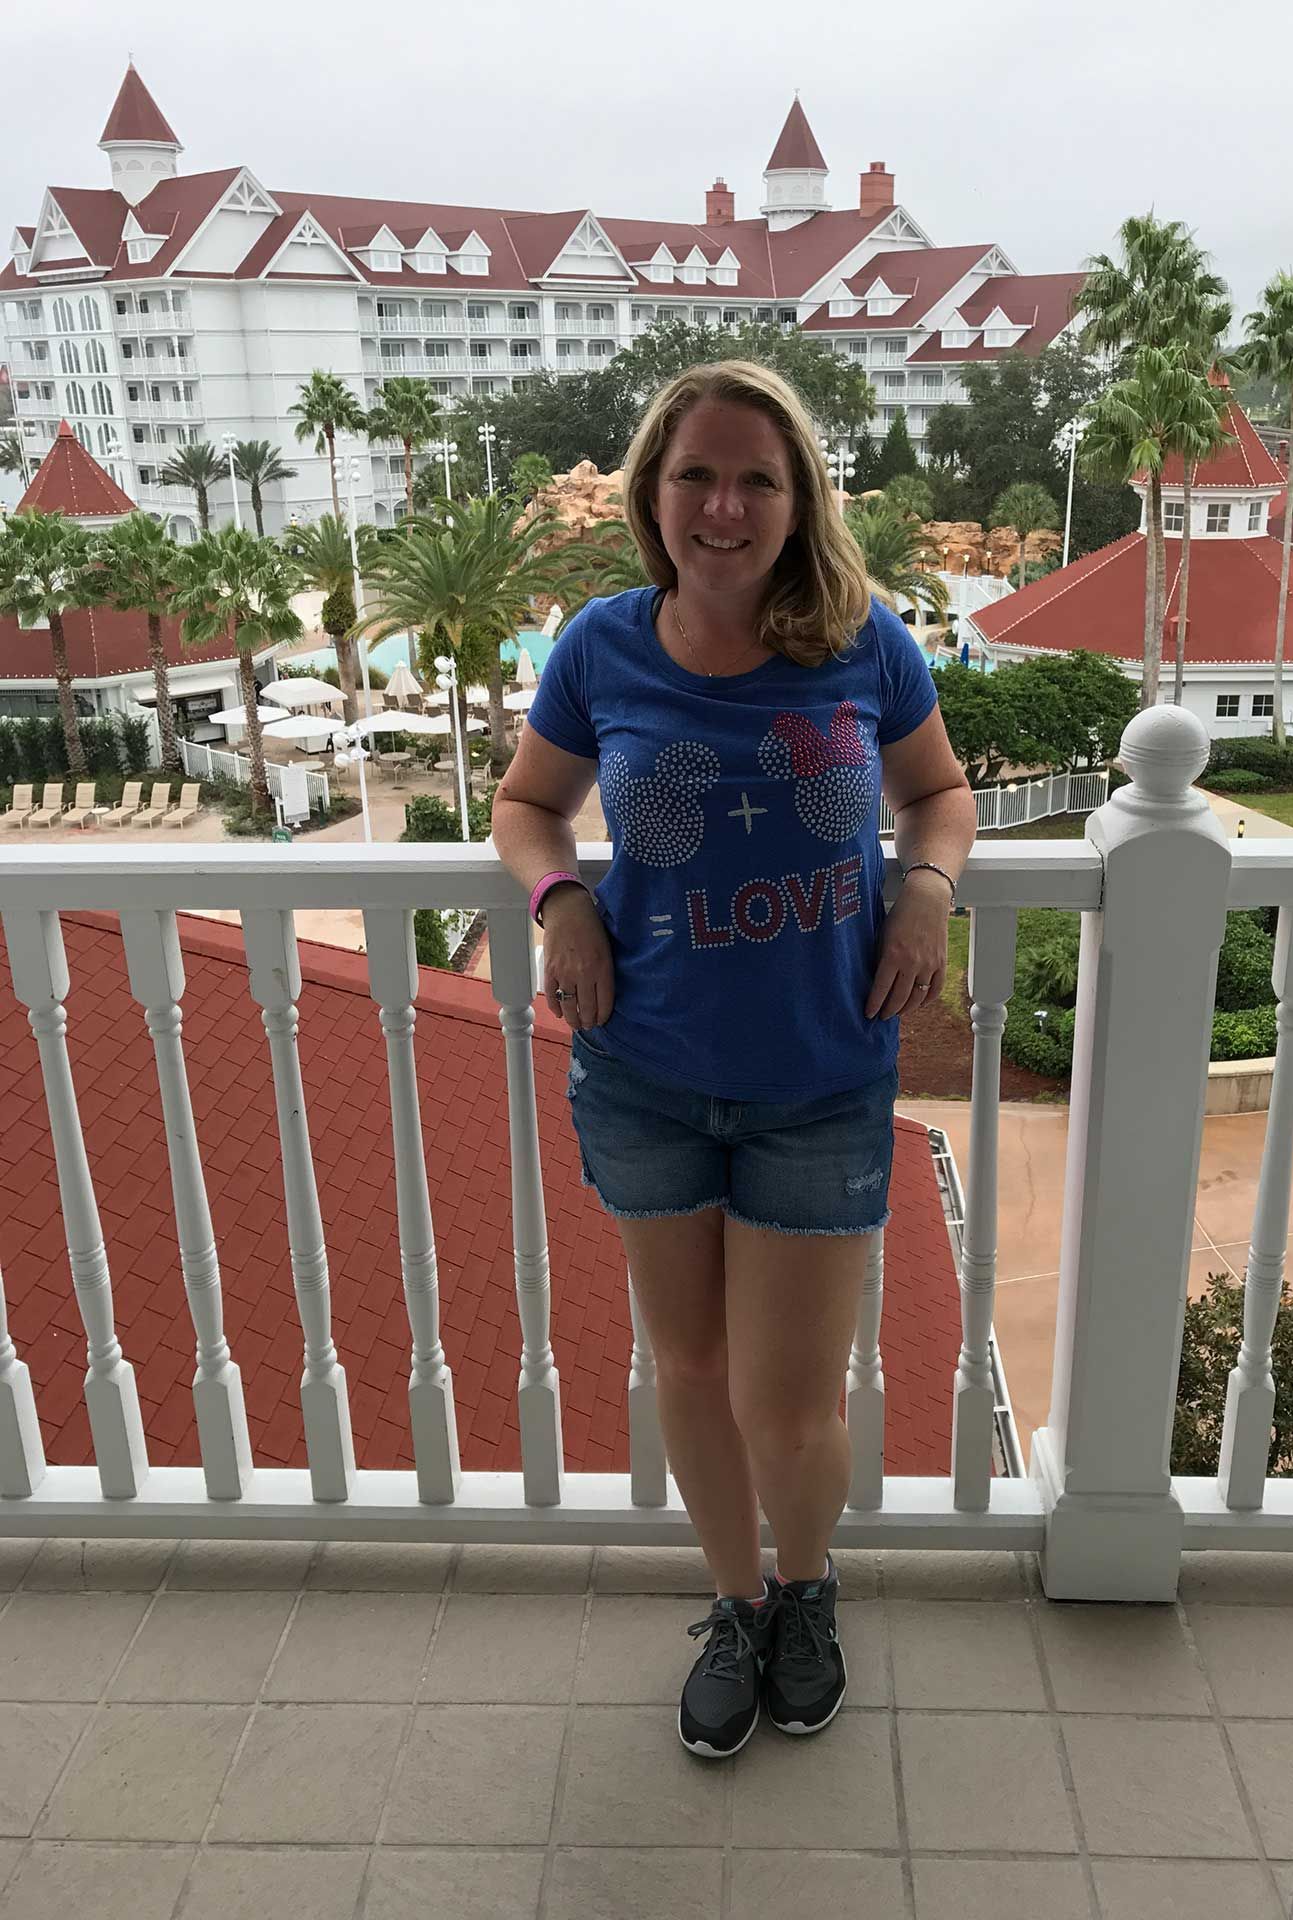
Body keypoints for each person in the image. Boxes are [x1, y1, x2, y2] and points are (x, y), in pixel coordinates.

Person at [490, 360, 975, 1760]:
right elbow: (530, 805)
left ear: (798, 498)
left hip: (820, 1074)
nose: (725, 503)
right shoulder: (601, 646)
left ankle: (808, 1589)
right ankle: (734, 1601)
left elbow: (936, 791)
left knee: (790, 1394)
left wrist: (928, 887)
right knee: (690, 1367)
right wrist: (561, 896)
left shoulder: (861, 640)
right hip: (642, 1065)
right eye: (696, 473)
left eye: (759, 477)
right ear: (653, 493)